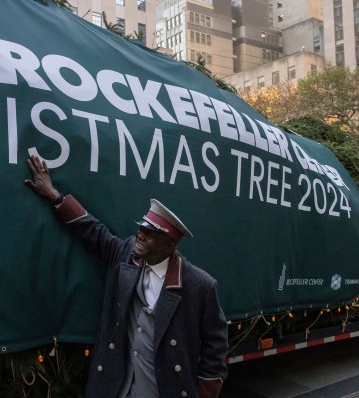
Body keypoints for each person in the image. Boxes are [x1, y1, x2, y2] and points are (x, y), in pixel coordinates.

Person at [24, 155, 228, 398]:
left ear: (169, 245)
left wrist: (204, 393)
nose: (139, 235)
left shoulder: (199, 285)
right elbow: (93, 231)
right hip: (119, 388)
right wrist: (54, 196)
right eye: (141, 227)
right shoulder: (126, 254)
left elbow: (216, 347)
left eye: (149, 233)